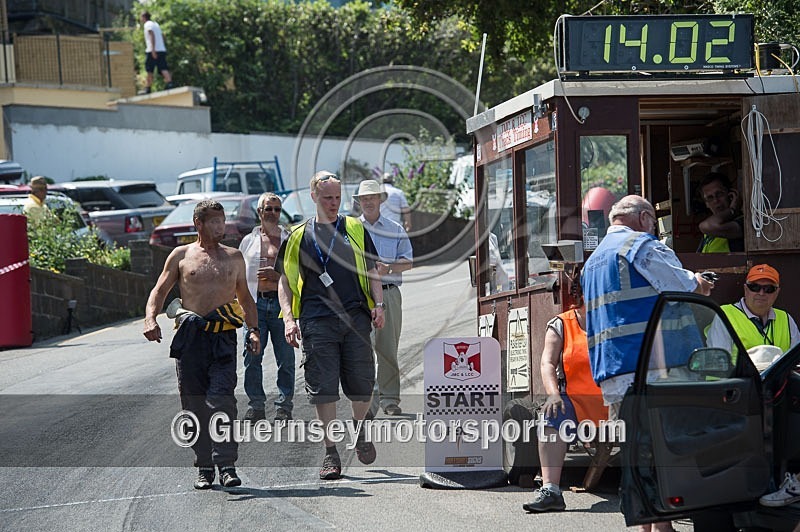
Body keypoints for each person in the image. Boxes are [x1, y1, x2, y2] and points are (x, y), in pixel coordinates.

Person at [581, 195, 714, 532]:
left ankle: (652, 528)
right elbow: (681, 287)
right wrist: (701, 283)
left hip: (614, 371)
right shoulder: (639, 245)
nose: (653, 229)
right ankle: (664, 528)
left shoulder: (593, 261)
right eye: (652, 222)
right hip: (653, 368)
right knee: (668, 453)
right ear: (642, 218)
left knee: (640, 456)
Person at [143, 199, 259, 490]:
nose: (221, 226)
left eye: (223, 221)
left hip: (223, 337)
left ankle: (227, 464)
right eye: (215, 222)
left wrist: (254, 330)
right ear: (199, 224)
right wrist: (150, 320)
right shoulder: (181, 255)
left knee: (222, 399)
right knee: (193, 404)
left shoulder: (234, 257)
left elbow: (244, 298)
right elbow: (159, 290)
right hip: (191, 337)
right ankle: (204, 466)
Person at [276, 171, 385, 480]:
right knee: (323, 390)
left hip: (355, 318)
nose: (334, 202)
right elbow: (283, 280)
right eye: (327, 197)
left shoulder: (354, 228)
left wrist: (378, 305)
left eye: (337, 197)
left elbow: (373, 269)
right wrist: (288, 318)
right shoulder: (297, 235)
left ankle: (360, 429)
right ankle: (331, 453)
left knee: (362, 385)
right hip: (315, 320)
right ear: (313, 197)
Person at [523, 276, 607, 513]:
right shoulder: (561, 324)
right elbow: (547, 364)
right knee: (552, 414)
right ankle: (551, 491)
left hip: (613, 397)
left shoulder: (614, 320)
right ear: (580, 294)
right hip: (574, 399)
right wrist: (552, 394)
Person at [354, 179, 413, 417]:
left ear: (380, 200)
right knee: (361, 350)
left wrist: (387, 269)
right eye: (364, 198)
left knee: (387, 348)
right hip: (358, 295)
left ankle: (389, 400)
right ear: (359, 202)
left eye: (372, 197)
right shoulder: (348, 229)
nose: (368, 202)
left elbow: (408, 262)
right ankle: (367, 403)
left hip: (388, 293)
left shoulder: (394, 228)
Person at [239, 193, 295, 422]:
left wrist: (278, 274)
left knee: (286, 358)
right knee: (252, 356)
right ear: (259, 212)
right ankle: (256, 405)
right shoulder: (248, 241)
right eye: (268, 209)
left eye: (277, 209)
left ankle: (284, 405)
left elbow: (299, 271)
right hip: (255, 304)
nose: (273, 213)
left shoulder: (288, 239)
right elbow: (238, 275)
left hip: (281, 305)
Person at [706, 263, 800, 354]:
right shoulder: (725, 315)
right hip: (740, 371)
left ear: (777, 292)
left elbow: (796, 360)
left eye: (768, 289)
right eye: (755, 287)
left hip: (780, 371)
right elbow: (720, 362)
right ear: (746, 289)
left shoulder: (786, 319)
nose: (761, 293)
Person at [696, 172, 743, 253]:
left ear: (731, 195)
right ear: (706, 204)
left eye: (720, 194)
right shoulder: (708, 234)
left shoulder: (740, 222)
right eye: (710, 198)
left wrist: (733, 209)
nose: (716, 200)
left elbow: (706, 226)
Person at [140, 11, 173, 94]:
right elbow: (162, 36)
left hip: (153, 50)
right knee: (163, 68)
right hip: (161, 49)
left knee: (149, 70)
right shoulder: (156, 24)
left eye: (141, 17)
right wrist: (162, 46)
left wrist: (153, 50)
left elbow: (151, 35)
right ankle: (170, 84)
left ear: (144, 17)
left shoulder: (147, 24)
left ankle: (148, 88)